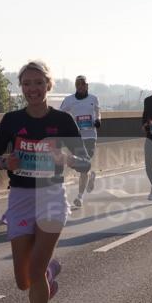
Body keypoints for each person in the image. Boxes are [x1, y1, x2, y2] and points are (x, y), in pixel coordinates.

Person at [0, 60, 91, 303]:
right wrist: (5, 162)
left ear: (48, 85)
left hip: (51, 197)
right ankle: (48, 270)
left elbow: (85, 162)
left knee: (33, 272)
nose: (32, 89)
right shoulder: (11, 120)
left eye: (38, 83)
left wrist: (66, 159)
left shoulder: (63, 120)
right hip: (20, 197)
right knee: (23, 281)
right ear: (21, 87)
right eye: (26, 84)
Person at [59, 75, 101, 209]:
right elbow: (60, 115)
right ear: (75, 86)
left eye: (83, 84)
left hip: (90, 136)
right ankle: (91, 174)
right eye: (78, 84)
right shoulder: (69, 100)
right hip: (76, 138)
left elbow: (98, 112)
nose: (81, 86)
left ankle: (80, 197)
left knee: (85, 163)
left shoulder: (93, 98)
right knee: (83, 165)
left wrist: (98, 120)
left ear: (87, 86)